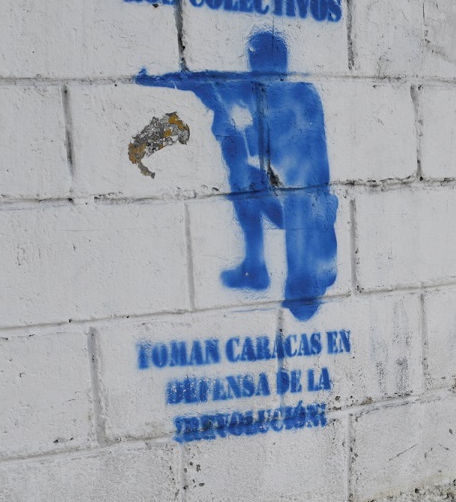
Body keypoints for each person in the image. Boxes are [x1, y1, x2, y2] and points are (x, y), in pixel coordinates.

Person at [137, 31, 338, 321]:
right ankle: (255, 265)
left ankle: (302, 280)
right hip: (283, 204)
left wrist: (231, 129)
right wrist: (157, 79)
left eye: (259, 62)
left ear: (279, 64)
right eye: (253, 62)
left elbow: (279, 137)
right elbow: (202, 82)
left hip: (307, 212)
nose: (254, 69)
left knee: (296, 202)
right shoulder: (254, 90)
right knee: (242, 174)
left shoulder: (301, 95)